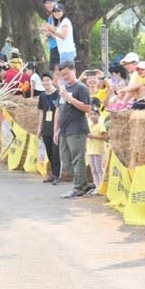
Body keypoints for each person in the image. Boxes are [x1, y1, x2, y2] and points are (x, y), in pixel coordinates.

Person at [53, 61, 93, 198]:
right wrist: (56, 129)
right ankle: (83, 183)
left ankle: (79, 187)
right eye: (62, 74)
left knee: (77, 158)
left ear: (74, 71)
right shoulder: (63, 89)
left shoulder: (81, 88)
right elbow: (59, 110)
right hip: (64, 129)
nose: (65, 77)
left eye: (67, 73)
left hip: (77, 128)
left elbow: (87, 108)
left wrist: (70, 98)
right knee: (66, 160)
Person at [37, 72, 61, 184]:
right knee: (49, 152)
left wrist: (59, 127)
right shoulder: (42, 96)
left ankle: (57, 175)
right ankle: (52, 174)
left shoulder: (58, 94)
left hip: (55, 126)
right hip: (46, 127)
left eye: (47, 80)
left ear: (52, 81)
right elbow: (41, 112)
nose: (45, 82)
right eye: (43, 80)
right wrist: (39, 127)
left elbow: (60, 110)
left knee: (56, 152)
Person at [86, 107, 107, 195]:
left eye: (95, 114)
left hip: (98, 150)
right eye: (91, 114)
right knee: (93, 169)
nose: (93, 116)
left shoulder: (101, 125)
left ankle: (102, 186)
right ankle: (97, 185)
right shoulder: (90, 126)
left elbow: (104, 137)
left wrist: (93, 136)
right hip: (91, 150)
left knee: (99, 169)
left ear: (99, 115)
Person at [40, 0, 59, 70]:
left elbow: (60, 33)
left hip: (59, 47)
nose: (48, 5)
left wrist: (49, 32)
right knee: (54, 71)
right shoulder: (50, 17)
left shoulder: (58, 16)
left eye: (50, 2)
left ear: (56, 3)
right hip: (52, 47)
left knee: (59, 72)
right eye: (46, 3)